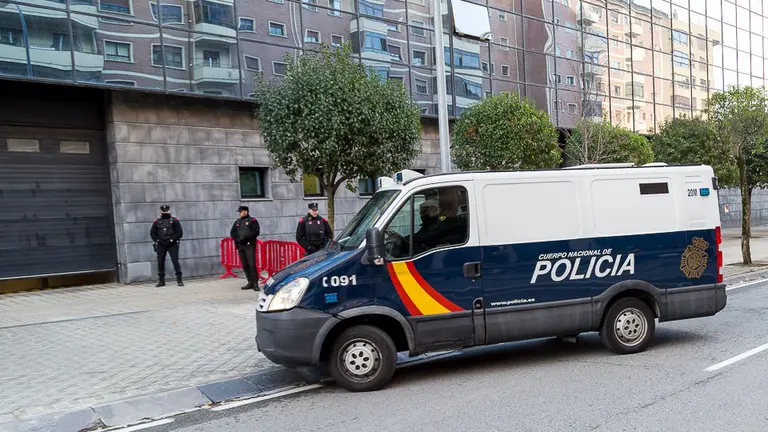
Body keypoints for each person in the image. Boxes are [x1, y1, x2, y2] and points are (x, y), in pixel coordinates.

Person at [150, 205, 184, 287]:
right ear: (161, 212)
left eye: (166, 211)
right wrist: (158, 240)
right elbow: (152, 233)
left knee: (175, 261)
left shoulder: (174, 221)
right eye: (163, 211)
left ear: (169, 211)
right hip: (161, 244)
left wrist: (172, 239)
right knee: (160, 262)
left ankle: (179, 280)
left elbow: (179, 233)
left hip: (172, 243)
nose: (165, 212)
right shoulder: (157, 222)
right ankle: (161, 281)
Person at [230, 205, 261, 291]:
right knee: (244, 264)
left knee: (252, 264)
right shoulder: (237, 222)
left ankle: (255, 283)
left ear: (246, 212)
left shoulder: (252, 221)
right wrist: (237, 239)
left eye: (242, 211)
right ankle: (250, 281)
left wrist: (245, 238)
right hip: (240, 245)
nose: (240, 213)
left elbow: (256, 232)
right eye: (240, 212)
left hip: (249, 245)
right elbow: (232, 232)